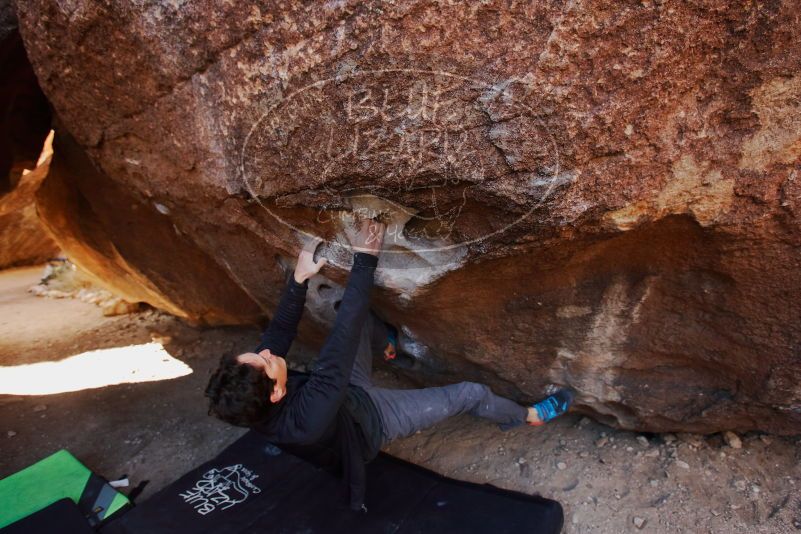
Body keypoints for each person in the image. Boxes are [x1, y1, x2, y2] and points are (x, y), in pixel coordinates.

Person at [205, 218, 573, 512]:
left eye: (259, 354)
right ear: (278, 392)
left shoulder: (257, 392)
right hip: (371, 421)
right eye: (267, 362)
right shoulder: (308, 416)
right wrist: (366, 257)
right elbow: (343, 336)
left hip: (342, 396)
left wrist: (299, 278)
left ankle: (390, 347)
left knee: (360, 324)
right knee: (469, 393)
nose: (268, 353)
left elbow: (279, 331)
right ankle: (528, 416)